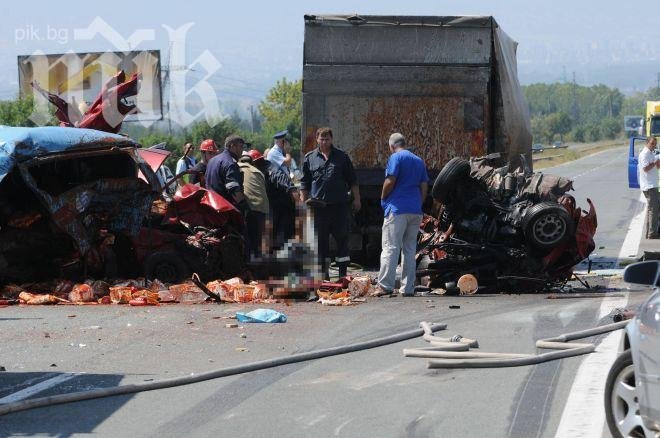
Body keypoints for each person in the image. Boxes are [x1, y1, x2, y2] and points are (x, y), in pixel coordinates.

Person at [373, 133, 429, 296]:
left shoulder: (396, 158)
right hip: (415, 210)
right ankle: (408, 288)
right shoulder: (419, 161)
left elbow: (390, 181)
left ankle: (385, 286)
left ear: (391, 146)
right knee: (410, 250)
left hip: (397, 209)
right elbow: (424, 186)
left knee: (391, 247)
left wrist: (383, 198)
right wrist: (419, 203)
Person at [301, 127, 360, 278]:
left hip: (339, 208)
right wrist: (303, 205)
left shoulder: (342, 157)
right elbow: (304, 184)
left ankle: (342, 277)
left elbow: (353, 181)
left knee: (342, 241)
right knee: (321, 245)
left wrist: (357, 199)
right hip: (319, 209)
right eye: (322, 139)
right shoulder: (310, 158)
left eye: (327, 139)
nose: (324, 142)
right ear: (317, 140)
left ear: (332, 139)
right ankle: (324, 278)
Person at [238, 150, 270, 259]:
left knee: (247, 240)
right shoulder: (258, 171)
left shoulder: (237, 167)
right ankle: (257, 262)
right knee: (257, 241)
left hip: (249, 207)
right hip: (262, 208)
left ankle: (248, 264)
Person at [205, 134, 248, 214]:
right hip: (226, 211)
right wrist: (245, 206)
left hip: (211, 208)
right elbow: (234, 191)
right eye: (241, 146)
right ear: (232, 146)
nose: (242, 150)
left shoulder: (212, 161)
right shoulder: (230, 163)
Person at [638, 136, 660, 239]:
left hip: (653, 184)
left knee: (652, 209)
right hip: (649, 186)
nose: (654, 146)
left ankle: (650, 232)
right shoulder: (644, 154)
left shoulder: (651, 153)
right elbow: (646, 168)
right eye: (652, 143)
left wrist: (657, 162)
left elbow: (656, 166)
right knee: (653, 210)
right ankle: (652, 233)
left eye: (655, 144)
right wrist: (655, 162)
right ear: (647, 143)